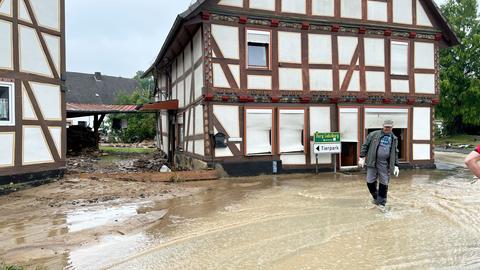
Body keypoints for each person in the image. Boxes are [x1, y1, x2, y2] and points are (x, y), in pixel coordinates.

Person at [358, 120, 400, 206]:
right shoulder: (374, 134)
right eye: (386, 127)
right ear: (383, 126)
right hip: (372, 162)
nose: (387, 128)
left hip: (385, 164)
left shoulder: (394, 138)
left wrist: (396, 165)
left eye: (389, 127)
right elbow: (365, 145)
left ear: (392, 128)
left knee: (384, 183)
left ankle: (382, 203)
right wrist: (362, 157)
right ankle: (376, 197)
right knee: (370, 182)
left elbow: (395, 152)